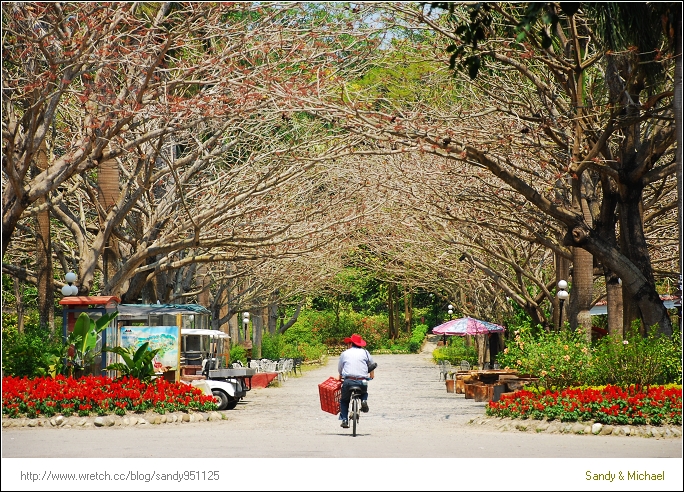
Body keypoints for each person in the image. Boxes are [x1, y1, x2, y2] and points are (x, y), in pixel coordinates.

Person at [337, 333, 377, 428]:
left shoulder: (345, 353)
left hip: (348, 381)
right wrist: (371, 375)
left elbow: (340, 368)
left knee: (344, 400)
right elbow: (371, 364)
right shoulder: (365, 352)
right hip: (361, 381)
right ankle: (363, 400)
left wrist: (340, 377)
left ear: (351, 343)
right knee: (364, 392)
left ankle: (345, 420)